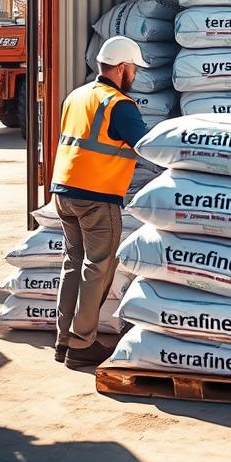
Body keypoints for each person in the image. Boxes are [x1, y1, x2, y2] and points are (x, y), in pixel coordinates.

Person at [49, 35, 149, 368]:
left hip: (63, 192)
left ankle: (63, 340)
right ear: (121, 68)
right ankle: (81, 343)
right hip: (96, 196)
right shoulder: (118, 104)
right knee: (98, 268)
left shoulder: (77, 95)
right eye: (133, 68)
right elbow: (147, 145)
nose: (134, 74)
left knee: (72, 264)